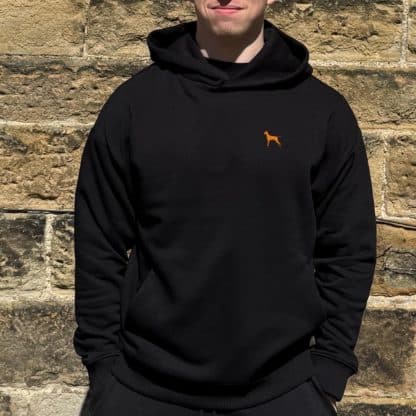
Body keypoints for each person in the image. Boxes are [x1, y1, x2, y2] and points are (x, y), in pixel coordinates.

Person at [73, 1, 377, 415]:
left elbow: (348, 247)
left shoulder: (321, 111)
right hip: (143, 386)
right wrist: (103, 365)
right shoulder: (135, 105)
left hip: (284, 389)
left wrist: (329, 366)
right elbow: (98, 240)